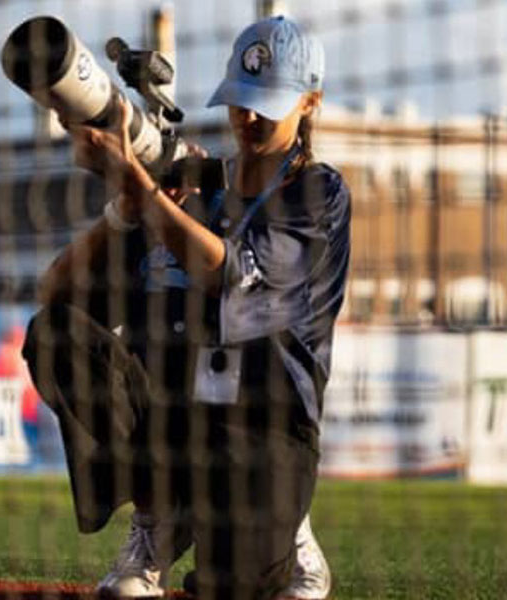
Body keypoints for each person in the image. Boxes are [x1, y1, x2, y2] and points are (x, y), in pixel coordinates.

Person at [23, 16, 349, 600]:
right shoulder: (188, 185)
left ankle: (289, 527)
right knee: (54, 335)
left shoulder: (318, 195)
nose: (247, 119)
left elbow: (228, 271)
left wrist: (141, 190)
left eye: (267, 105)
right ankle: (157, 516)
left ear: (310, 102)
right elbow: (56, 295)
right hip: (174, 418)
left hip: (263, 425)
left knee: (229, 587)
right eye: (241, 102)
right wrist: (126, 208)